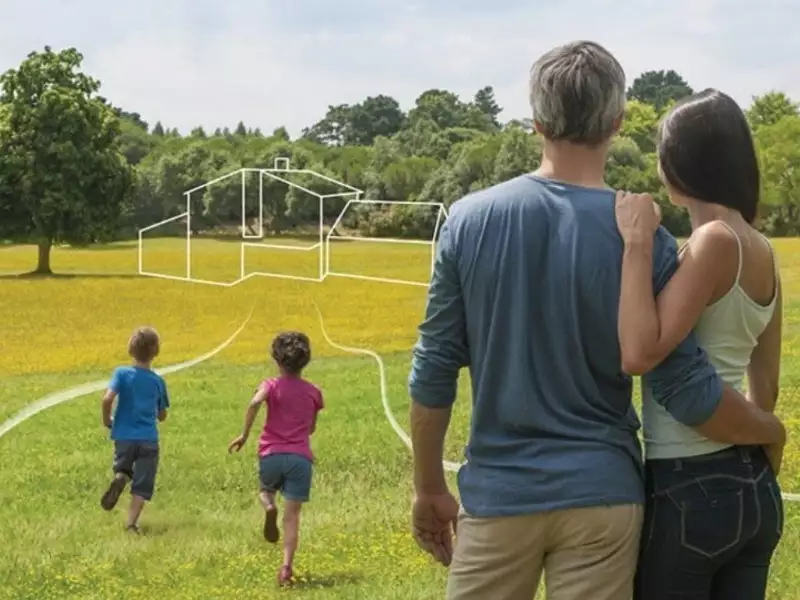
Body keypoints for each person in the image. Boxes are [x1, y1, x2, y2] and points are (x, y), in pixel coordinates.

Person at [407, 41, 786, 600]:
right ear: (616, 123)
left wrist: (429, 487)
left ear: (535, 122)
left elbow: (434, 366)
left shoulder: (467, 221)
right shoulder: (647, 238)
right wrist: (767, 432)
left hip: (499, 495)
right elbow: (681, 383)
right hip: (605, 496)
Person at [614, 89, 784, 600]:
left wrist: (638, 244)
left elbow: (642, 353)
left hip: (689, 485)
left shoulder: (714, 242)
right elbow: (767, 387)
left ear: (675, 169)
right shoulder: (763, 249)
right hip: (754, 489)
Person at [228, 331, 323, 587]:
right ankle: (286, 568)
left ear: (277, 360)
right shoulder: (314, 392)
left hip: (271, 454)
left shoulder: (270, 385)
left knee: (265, 491)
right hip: (300, 459)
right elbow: (311, 427)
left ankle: (269, 506)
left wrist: (244, 434)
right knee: (292, 517)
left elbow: (254, 402)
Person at [100, 326, 169, 534]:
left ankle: (121, 476)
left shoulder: (121, 373)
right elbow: (162, 415)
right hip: (148, 439)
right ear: (155, 351)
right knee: (143, 483)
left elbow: (107, 398)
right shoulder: (158, 381)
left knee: (124, 468)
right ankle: (131, 523)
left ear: (130, 348)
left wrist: (107, 419)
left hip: (124, 436)